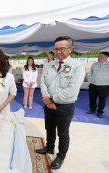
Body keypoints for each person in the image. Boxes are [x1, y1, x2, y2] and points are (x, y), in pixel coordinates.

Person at [35, 36, 85, 169]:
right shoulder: (49, 64)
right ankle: (49, 147)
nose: (58, 52)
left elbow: (72, 90)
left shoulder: (77, 66)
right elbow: (43, 82)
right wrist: (47, 98)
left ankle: (61, 156)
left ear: (70, 49)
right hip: (48, 104)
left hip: (65, 106)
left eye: (61, 49)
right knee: (49, 128)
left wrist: (52, 99)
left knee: (63, 133)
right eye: (56, 49)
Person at [86, 51, 109, 118]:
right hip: (93, 85)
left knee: (102, 100)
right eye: (99, 56)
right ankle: (92, 109)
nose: (99, 58)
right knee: (92, 98)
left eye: (101, 56)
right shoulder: (94, 65)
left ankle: (100, 112)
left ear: (107, 57)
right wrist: (90, 82)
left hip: (104, 86)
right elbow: (91, 73)